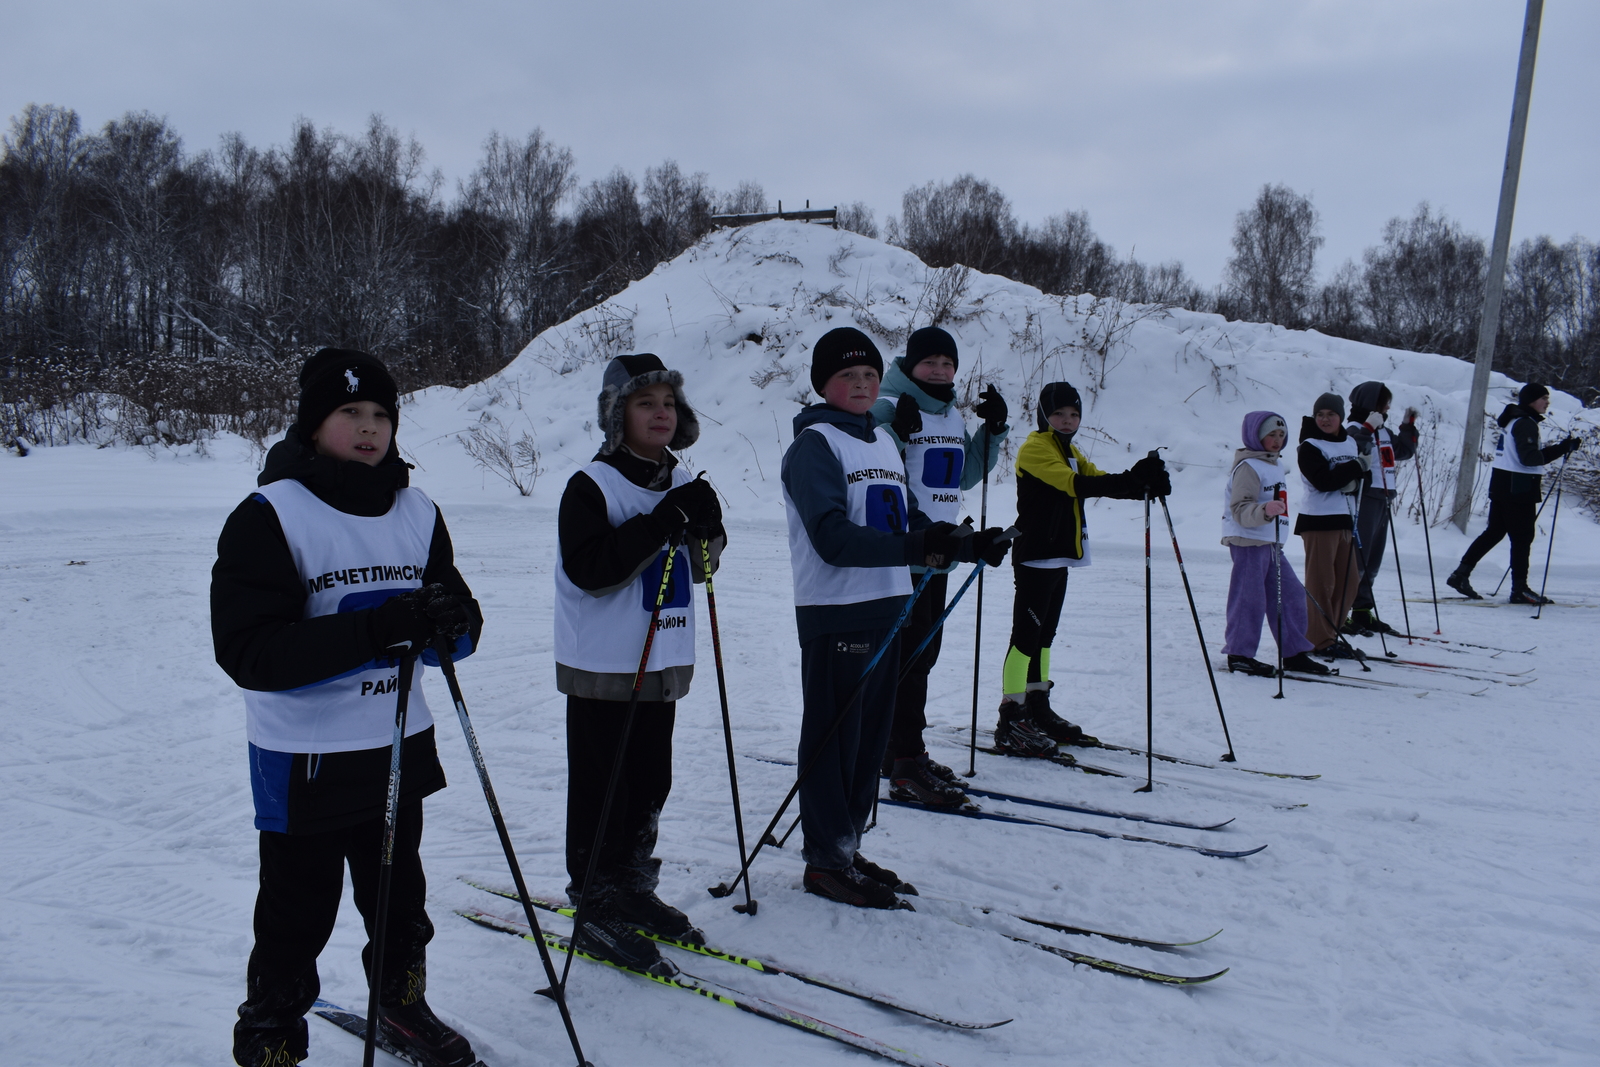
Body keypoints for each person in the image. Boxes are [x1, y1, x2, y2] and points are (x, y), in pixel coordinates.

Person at [213, 348, 483, 1067]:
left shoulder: (417, 510)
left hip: (398, 744)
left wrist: (453, 621)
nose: (369, 429)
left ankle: (400, 1001)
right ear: (313, 423)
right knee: (296, 913)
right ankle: (270, 1033)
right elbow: (250, 651)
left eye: (381, 415)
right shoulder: (271, 513)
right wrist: (373, 627)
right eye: (349, 413)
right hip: (306, 756)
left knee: (400, 898)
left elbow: (456, 624)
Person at [782, 327, 1007, 909]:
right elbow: (831, 538)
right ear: (823, 385)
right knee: (835, 741)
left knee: (867, 741)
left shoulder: (881, 443)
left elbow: (910, 520)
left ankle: (845, 848)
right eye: (845, 377)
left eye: (868, 376)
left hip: (887, 607)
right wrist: (916, 547)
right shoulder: (816, 445)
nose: (859, 385)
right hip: (836, 611)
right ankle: (825, 860)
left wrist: (966, 545)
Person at [555, 353, 725, 973]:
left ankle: (631, 884)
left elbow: (703, 569)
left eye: (668, 403)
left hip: (663, 658)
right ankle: (595, 896)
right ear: (615, 413)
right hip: (605, 663)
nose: (660, 413)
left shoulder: (680, 481)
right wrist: (662, 523)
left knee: (651, 780)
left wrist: (708, 528)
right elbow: (592, 570)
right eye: (644, 402)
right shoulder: (591, 485)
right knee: (605, 783)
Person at [869, 326, 1009, 807]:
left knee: (921, 657)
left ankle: (897, 750)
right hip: (907, 551)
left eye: (948, 364)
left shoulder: (949, 414)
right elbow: (878, 472)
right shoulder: (888, 407)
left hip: (941, 552)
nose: (940, 371)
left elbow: (965, 474)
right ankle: (904, 758)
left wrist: (992, 432)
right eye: (930, 363)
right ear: (911, 365)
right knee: (906, 658)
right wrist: (893, 431)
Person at [999, 382, 1168, 756]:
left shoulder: (1069, 449)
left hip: (1060, 555)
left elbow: (1099, 480)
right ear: (1044, 415)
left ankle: (1037, 707)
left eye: (1073, 414)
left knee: (1044, 638)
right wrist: (1132, 479)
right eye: (1058, 414)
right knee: (1025, 639)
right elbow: (1076, 485)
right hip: (1036, 555)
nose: (1066, 420)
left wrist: (1141, 484)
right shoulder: (1035, 448)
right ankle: (1012, 717)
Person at [1219, 411, 1331, 678]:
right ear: (1256, 436)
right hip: (1248, 541)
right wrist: (1266, 511)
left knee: (1290, 595)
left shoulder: (1273, 464)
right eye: (1271, 434)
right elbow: (1240, 509)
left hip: (1270, 542)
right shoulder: (1248, 467)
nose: (1277, 440)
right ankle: (1240, 654)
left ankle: (1293, 652)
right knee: (1249, 599)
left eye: (1281, 435)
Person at [1447, 383, 1579, 605]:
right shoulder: (1525, 423)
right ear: (1531, 401)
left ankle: (1460, 574)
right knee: (1522, 538)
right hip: (1518, 487)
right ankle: (1520, 589)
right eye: (1543, 398)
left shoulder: (1513, 419)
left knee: (1495, 532)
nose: (1547, 402)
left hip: (1503, 483)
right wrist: (1563, 448)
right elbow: (1529, 458)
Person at [1295, 392, 1370, 658]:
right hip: (1318, 521)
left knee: (1349, 583)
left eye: (1331, 414)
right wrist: (1355, 469)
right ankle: (1319, 639)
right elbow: (1322, 481)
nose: (1325, 419)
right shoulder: (1310, 445)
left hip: (1345, 519)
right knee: (1321, 583)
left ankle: (1330, 633)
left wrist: (1359, 474)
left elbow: (1361, 476)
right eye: (1320, 415)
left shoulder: (1349, 442)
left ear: (1341, 417)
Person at [1342, 382, 1420, 636]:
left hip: (1383, 497)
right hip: (1364, 498)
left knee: (1373, 558)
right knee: (1358, 558)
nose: (1388, 407)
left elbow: (1403, 452)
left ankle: (1363, 610)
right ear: (1371, 402)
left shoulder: (1383, 431)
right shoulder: (1353, 428)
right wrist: (1367, 428)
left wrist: (1408, 426)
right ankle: (1340, 611)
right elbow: (1354, 450)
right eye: (1384, 402)